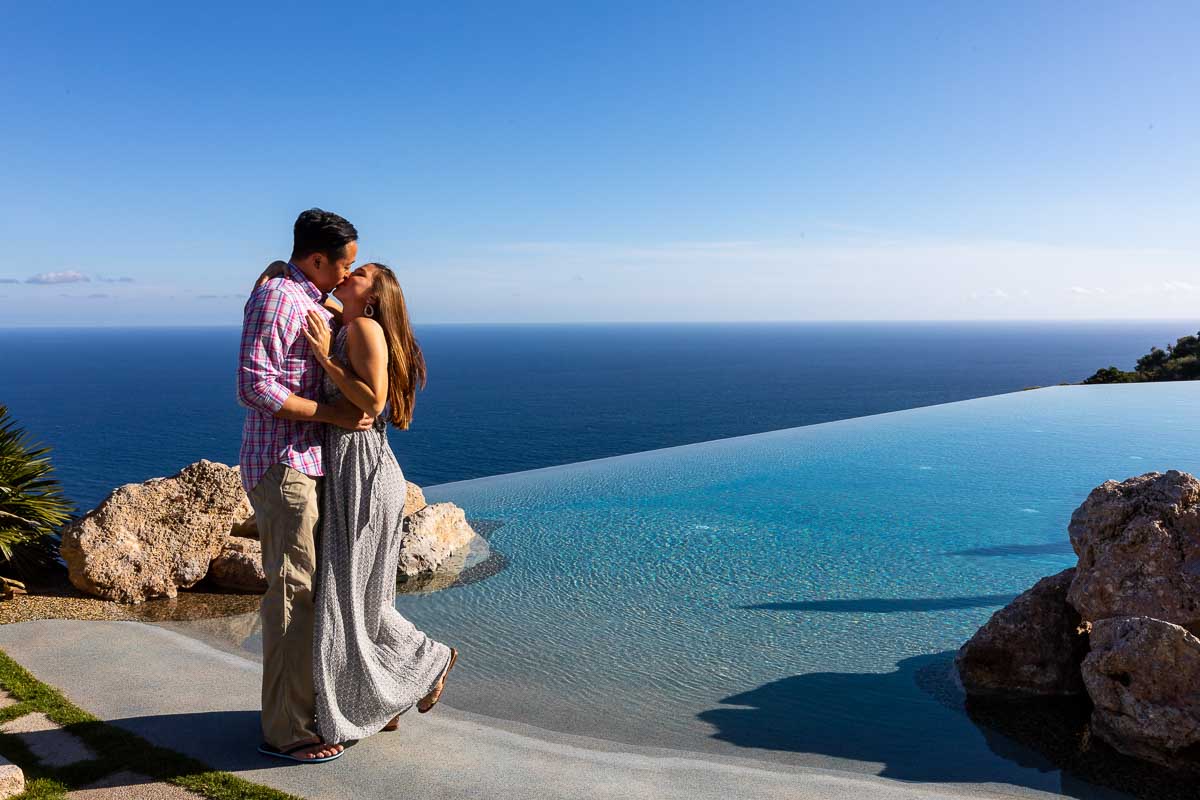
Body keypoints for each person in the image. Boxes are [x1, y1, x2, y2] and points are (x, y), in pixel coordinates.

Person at [301, 261, 458, 745]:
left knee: (349, 599)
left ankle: (430, 658)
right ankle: (378, 703)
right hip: (352, 468)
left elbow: (373, 402)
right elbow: (316, 299)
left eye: (361, 272)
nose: (350, 272)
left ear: (373, 296)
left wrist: (327, 361)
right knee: (356, 600)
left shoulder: (364, 328)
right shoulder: (351, 321)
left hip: (363, 471)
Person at [238, 208, 372, 763]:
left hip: (304, 462)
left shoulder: (305, 295)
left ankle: (311, 707)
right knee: (293, 596)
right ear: (316, 259)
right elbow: (255, 387)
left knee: (313, 593)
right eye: (344, 264)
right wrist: (334, 414)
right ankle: (287, 732)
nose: (347, 274)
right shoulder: (280, 298)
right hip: (283, 463)